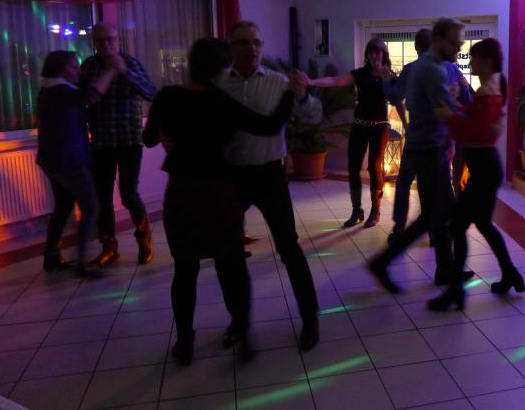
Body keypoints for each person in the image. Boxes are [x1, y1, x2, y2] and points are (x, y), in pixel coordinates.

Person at [143, 37, 299, 366]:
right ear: (220, 69)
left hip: (182, 192)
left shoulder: (168, 96)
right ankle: (243, 332)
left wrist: (170, 134)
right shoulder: (221, 100)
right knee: (231, 265)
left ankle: (185, 343)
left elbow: (148, 138)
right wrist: (290, 94)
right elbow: (269, 126)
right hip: (218, 190)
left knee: (185, 269)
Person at [218, 21, 322, 351]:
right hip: (232, 176)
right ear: (231, 47)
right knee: (228, 252)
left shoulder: (279, 82)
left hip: (270, 175)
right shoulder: (220, 85)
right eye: (243, 42)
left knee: (289, 248)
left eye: (257, 43)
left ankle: (310, 318)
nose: (252, 48)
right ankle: (239, 320)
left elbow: (313, 117)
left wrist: (302, 95)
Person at [427, 38, 525, 311]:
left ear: (487, 61)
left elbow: (476, 131)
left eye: (474, 58)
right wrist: (456, 105)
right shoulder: (489, 89)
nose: (470, 62)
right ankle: (509, 273)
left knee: (457, 226)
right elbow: (475, 118)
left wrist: (448, 116)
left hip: (484, 169)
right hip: (486, 167)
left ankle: (455, 292)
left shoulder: (488, 92)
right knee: (482, 224)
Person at [368, 18, 464, 293]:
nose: (459, 47)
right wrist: (476, 117)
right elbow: (444, 112)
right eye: (455, 41)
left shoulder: (424, 67)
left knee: (438, 213)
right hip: (430, 151)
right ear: (438, 41)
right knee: (439, 213)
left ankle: (444, 269)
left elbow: (405, 98)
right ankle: (386, 262)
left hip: (426, 147)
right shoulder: (432, 70)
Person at [36, 50, 119, 277]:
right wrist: (113, 69)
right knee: (91, 206)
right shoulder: (61, 91)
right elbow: (91, 96)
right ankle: (82, 264)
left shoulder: (49, 90)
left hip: (52, 160)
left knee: (63, 207)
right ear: (61, 70)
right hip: (69, 161)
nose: (79, 71)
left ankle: (51, 257)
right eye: (74, 67)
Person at [80, 22, 156, 268]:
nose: (106, 44)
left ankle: (144, 240)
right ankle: (109, 247)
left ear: (118, 39)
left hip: (129, 142)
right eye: (100, 40)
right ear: (94, 42)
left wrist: (124, 71)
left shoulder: (130, 63)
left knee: (129, 194)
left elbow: (151, 92)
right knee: (102, 198)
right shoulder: (89, 66)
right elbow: (83, 99)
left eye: (110, 39)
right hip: (101, 143)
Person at [388, 28, 472, 239]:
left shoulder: (411, 70)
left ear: (416, 47)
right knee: (440, 185)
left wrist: (387, 80)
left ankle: (399, 228)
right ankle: (439, 232)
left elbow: (394, 96)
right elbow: (468, 100)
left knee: (405, 182)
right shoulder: (451, 69)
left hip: (417, 139)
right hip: (443, 138)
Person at [309, 38, 395, 229]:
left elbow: (397, 98)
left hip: (380, 127)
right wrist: (311, 81)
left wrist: (388, 81)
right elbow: (336, 81)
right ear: (367, 55)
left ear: (384, 54)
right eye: (371, 52)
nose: (375, 55)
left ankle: (376, 210)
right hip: (359, 125)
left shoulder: (389, 75)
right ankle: (357, 210)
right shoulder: (360, 74)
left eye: (378, 52)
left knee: (374, 167)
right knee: (353, 167)